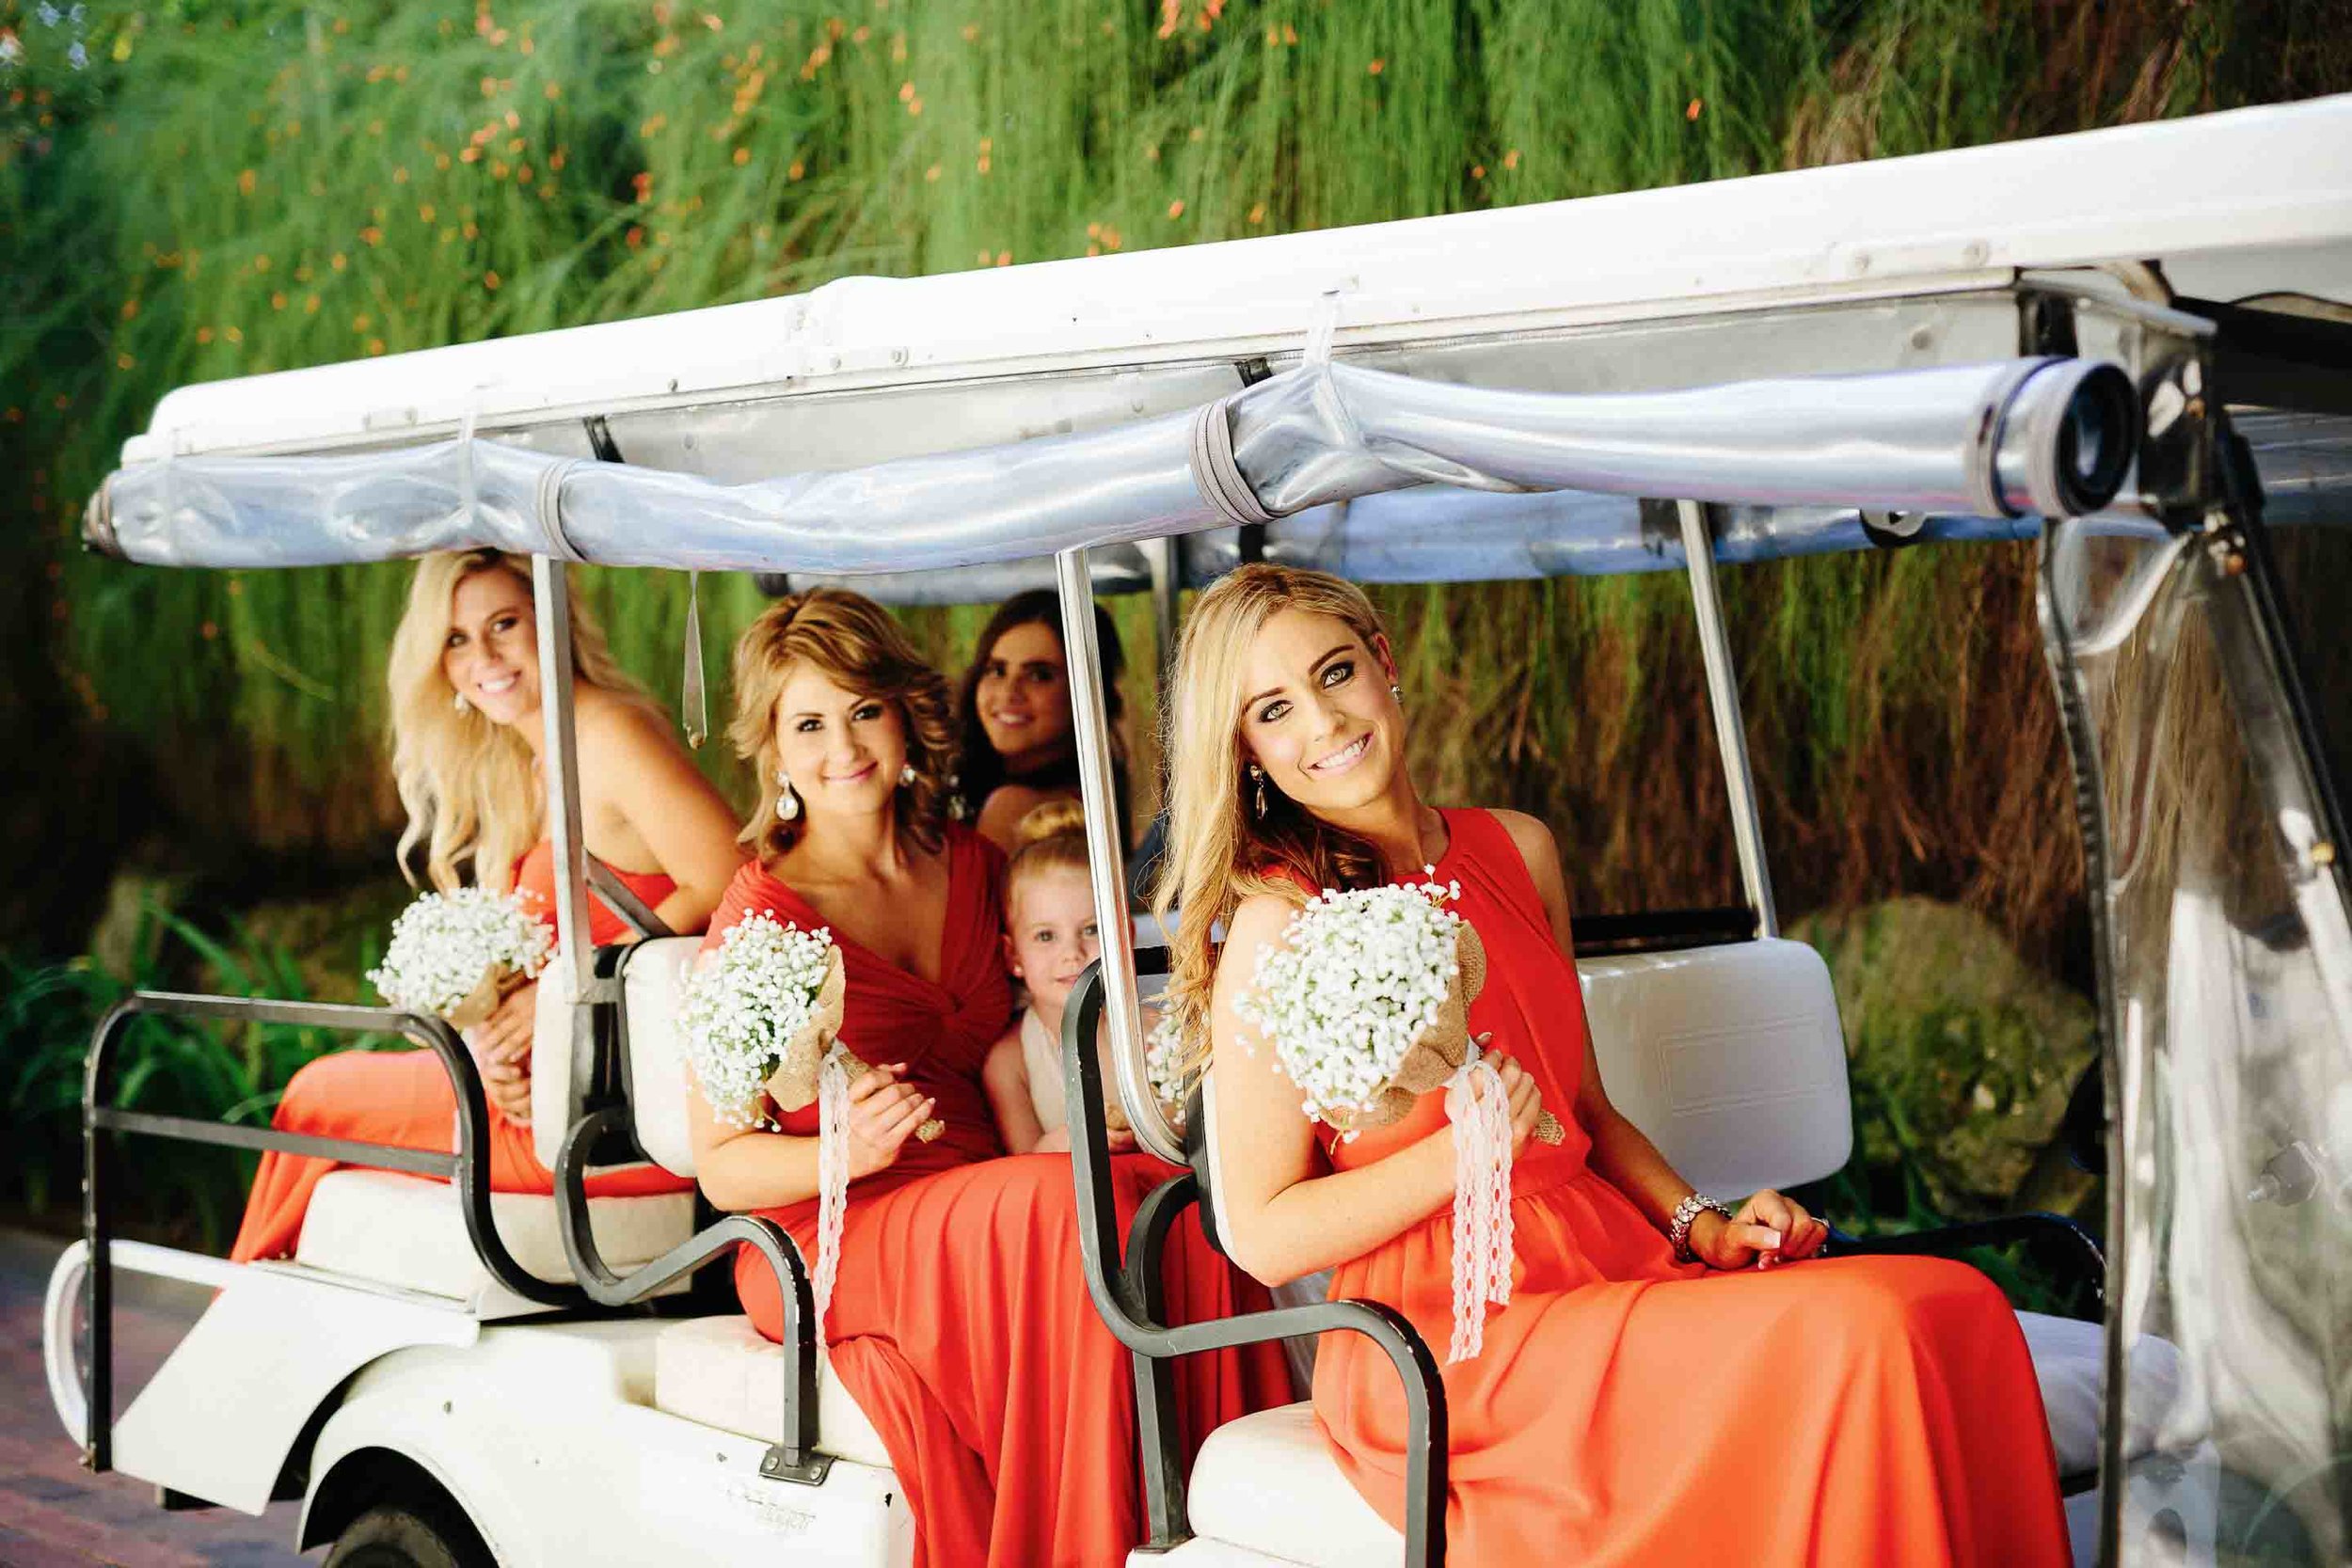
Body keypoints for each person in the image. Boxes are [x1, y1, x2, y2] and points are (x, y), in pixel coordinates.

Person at [1154, 562, 2069, 1566]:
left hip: (1607, 1259)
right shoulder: (1279, 921)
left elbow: (1584, 1107)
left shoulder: (1518, 847)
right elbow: (1263, 1232)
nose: (1323, 723)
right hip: (1448, 1331)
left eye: (1335, 672)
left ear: (1384, 662)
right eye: (1274, 709)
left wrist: (1703, 1223)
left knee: (1953, 1306)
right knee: (1866, 1333)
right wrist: (1456, 1158)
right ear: (1244, 748)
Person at [687, 588, 1283, 1568]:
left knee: (1161, 1196)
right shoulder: (759, 918)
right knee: (1062, 1208)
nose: (842, 745)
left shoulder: (974, 861)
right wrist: (841, 1148)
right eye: (808, 722)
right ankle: (1081, 1547)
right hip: (833, 1220)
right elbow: (719, 1166)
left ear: (903, 715)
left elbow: (1053, 1007)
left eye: (862, 709)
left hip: (989, 1176)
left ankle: (1231, 1531)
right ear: (774, 750)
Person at [230, 549, 743, 1264]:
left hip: (603, 1133)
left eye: (505, 623)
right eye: (457, 639)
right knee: (326, 1117)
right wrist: (493, 1045)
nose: (486, 656)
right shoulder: (530, 762)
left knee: (315, 1094)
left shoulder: (609, 733)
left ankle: (246, 1303)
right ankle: (267, 1303)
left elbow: (732, 877)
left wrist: (570, 990)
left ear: (554, 622)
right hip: (545, 1102)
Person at [978, 800, 1137, 1156]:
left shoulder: (1155, 1033)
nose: (1072, 953)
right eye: (1046, 936)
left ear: (1126, 936)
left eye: (1091, 929)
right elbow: (1022, 1169)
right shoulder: (1009, 1062)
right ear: (1013, 956)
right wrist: (1057, 1147)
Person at [950, 588, 1132, 852]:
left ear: (1087, 691)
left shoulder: (1016, 809)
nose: (1009, 693)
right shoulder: (1098, 794)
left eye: (1039, 676)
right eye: (997, 670)